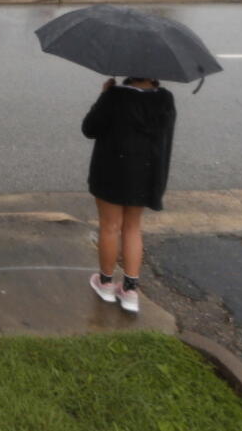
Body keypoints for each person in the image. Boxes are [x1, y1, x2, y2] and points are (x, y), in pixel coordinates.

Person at [81, 76, 177, 314]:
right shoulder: (165, 98)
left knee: (110, 226)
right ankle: (130, 290)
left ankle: (105, 283)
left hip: (112, 171)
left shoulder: (116, 96)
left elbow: (89, 128)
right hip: (146, 174)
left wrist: (104, 94)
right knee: (133, 227)